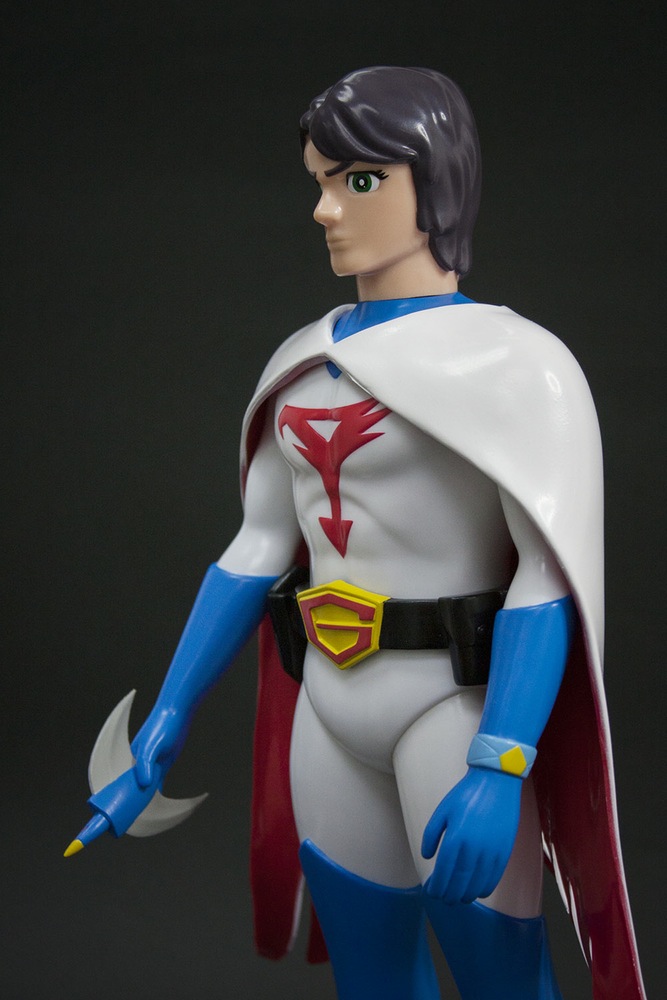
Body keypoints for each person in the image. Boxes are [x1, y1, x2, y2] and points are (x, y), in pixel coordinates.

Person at [68, 67, 645, 999]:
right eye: (320, 181)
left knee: (499, 977)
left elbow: (547, 574)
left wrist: (501, 760)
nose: (326, 209)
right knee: (371, 977)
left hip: (451, 708)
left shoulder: (520, 364)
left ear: (438, 183)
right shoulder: (301, 359)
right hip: (330, 704)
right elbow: (256, 548)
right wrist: (167, 720)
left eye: (359, 180)